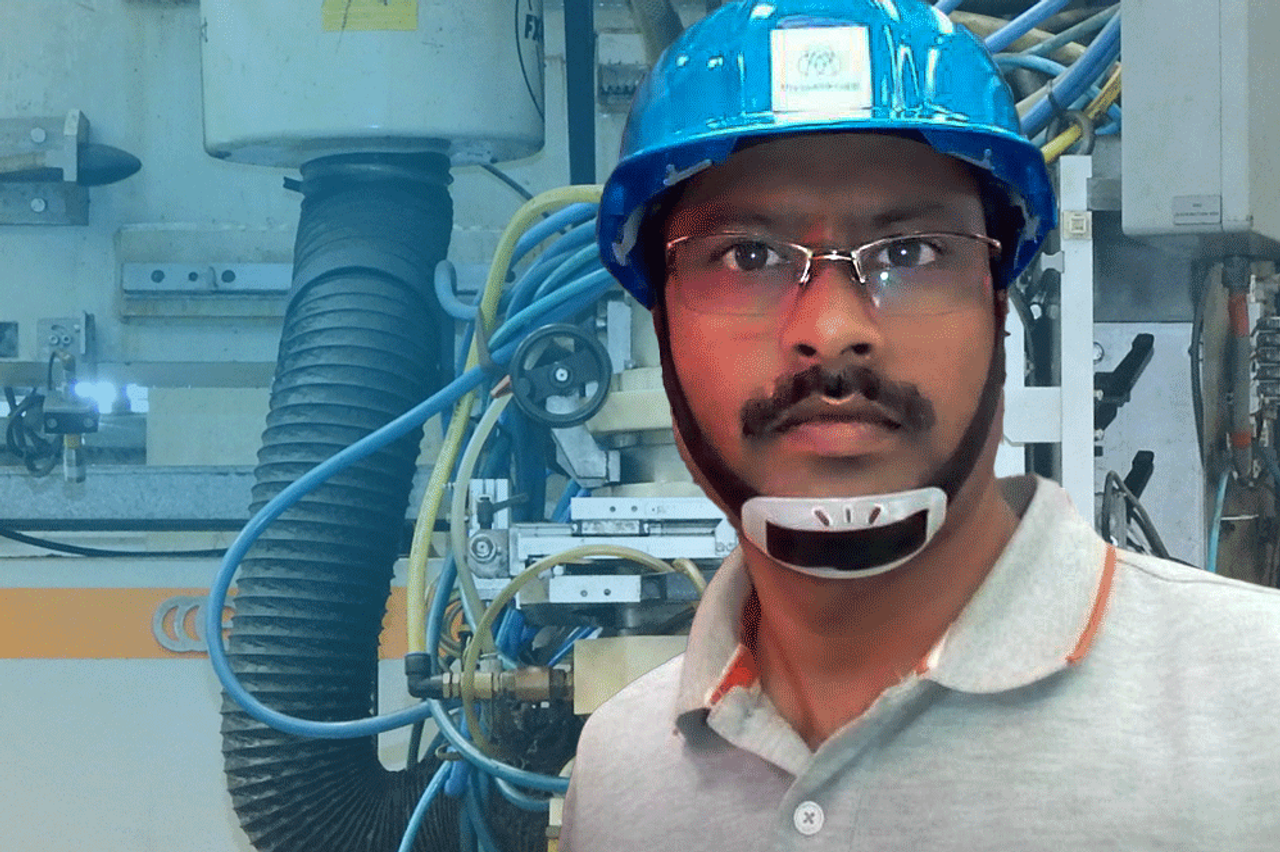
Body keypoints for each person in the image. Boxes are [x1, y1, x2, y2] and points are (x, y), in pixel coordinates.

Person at [561, 1, 1280, 849]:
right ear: (662, 329)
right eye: (747, 256)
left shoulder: (1259, 707)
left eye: (911, 252)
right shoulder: (624, 773)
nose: (831, 329)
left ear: (999, 306)